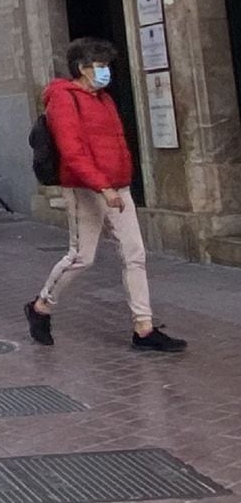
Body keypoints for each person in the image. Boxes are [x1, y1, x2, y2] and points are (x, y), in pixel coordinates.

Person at [24, 37, 186, 353]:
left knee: (135, 254)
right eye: (100, 66)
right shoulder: (63, 99)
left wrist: (119, 182)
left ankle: (144, 328)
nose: (105, 72)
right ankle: (41, 305)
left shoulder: (104, 100)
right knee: (82, 257)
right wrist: (103, 186)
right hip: (86, 188)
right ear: (82, 68)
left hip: (116, 186)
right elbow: (73, 151)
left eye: (107, 66)